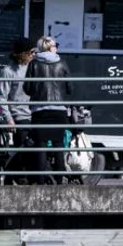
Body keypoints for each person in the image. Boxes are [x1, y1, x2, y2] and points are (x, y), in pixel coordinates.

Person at [23, 36, 73, 184]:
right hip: (59, 111)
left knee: (41, 146)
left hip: (40, 111)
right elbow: (70, 88)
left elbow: (27, 88)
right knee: (58, 145)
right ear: (51, 47)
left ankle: (40, 181)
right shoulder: (62, 63)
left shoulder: (34, 64)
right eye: (55, 45)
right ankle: (58, 181)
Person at [0, 37, 35, 184]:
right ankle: (18, 177)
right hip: (18, 115)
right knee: (21, 148)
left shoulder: (34, 68)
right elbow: (2, 96)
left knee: (34, 149)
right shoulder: (8, 71)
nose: (34, 54)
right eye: (32, 52)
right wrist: (9, 119)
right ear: (24, 53)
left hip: (34, 114)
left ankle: (16, 176)